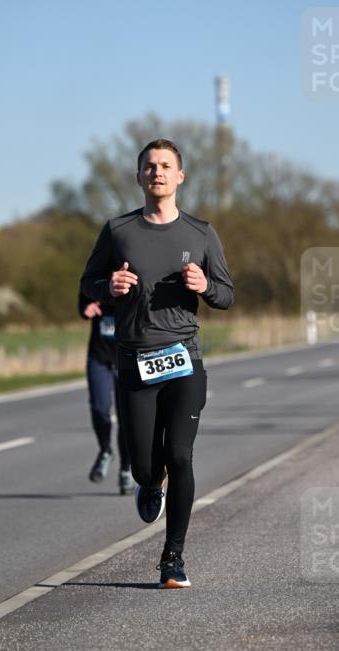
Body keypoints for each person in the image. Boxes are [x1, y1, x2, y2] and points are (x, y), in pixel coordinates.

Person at [80, 138, 234, 588]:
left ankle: (173, 558)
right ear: (139, 176)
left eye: (166, 166)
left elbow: (226, 295)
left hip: (184, 358)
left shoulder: (201, 233)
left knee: (180, 455)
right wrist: (109, 286)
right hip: (134, 362)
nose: (158, 172)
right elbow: (87, 283)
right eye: (150, 166)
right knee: (147, 466)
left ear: (180, 176)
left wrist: (205, 284)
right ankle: (150, 484)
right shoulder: (117, 230)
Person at [78, 291, 134, 494]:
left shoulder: (135, 275)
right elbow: (83, 302)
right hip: (99, 357)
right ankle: (105, 450)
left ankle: (126, 471)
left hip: (127, 359)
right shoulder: (96, 277)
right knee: (99, 409)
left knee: (126, 418)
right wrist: (85, 310)